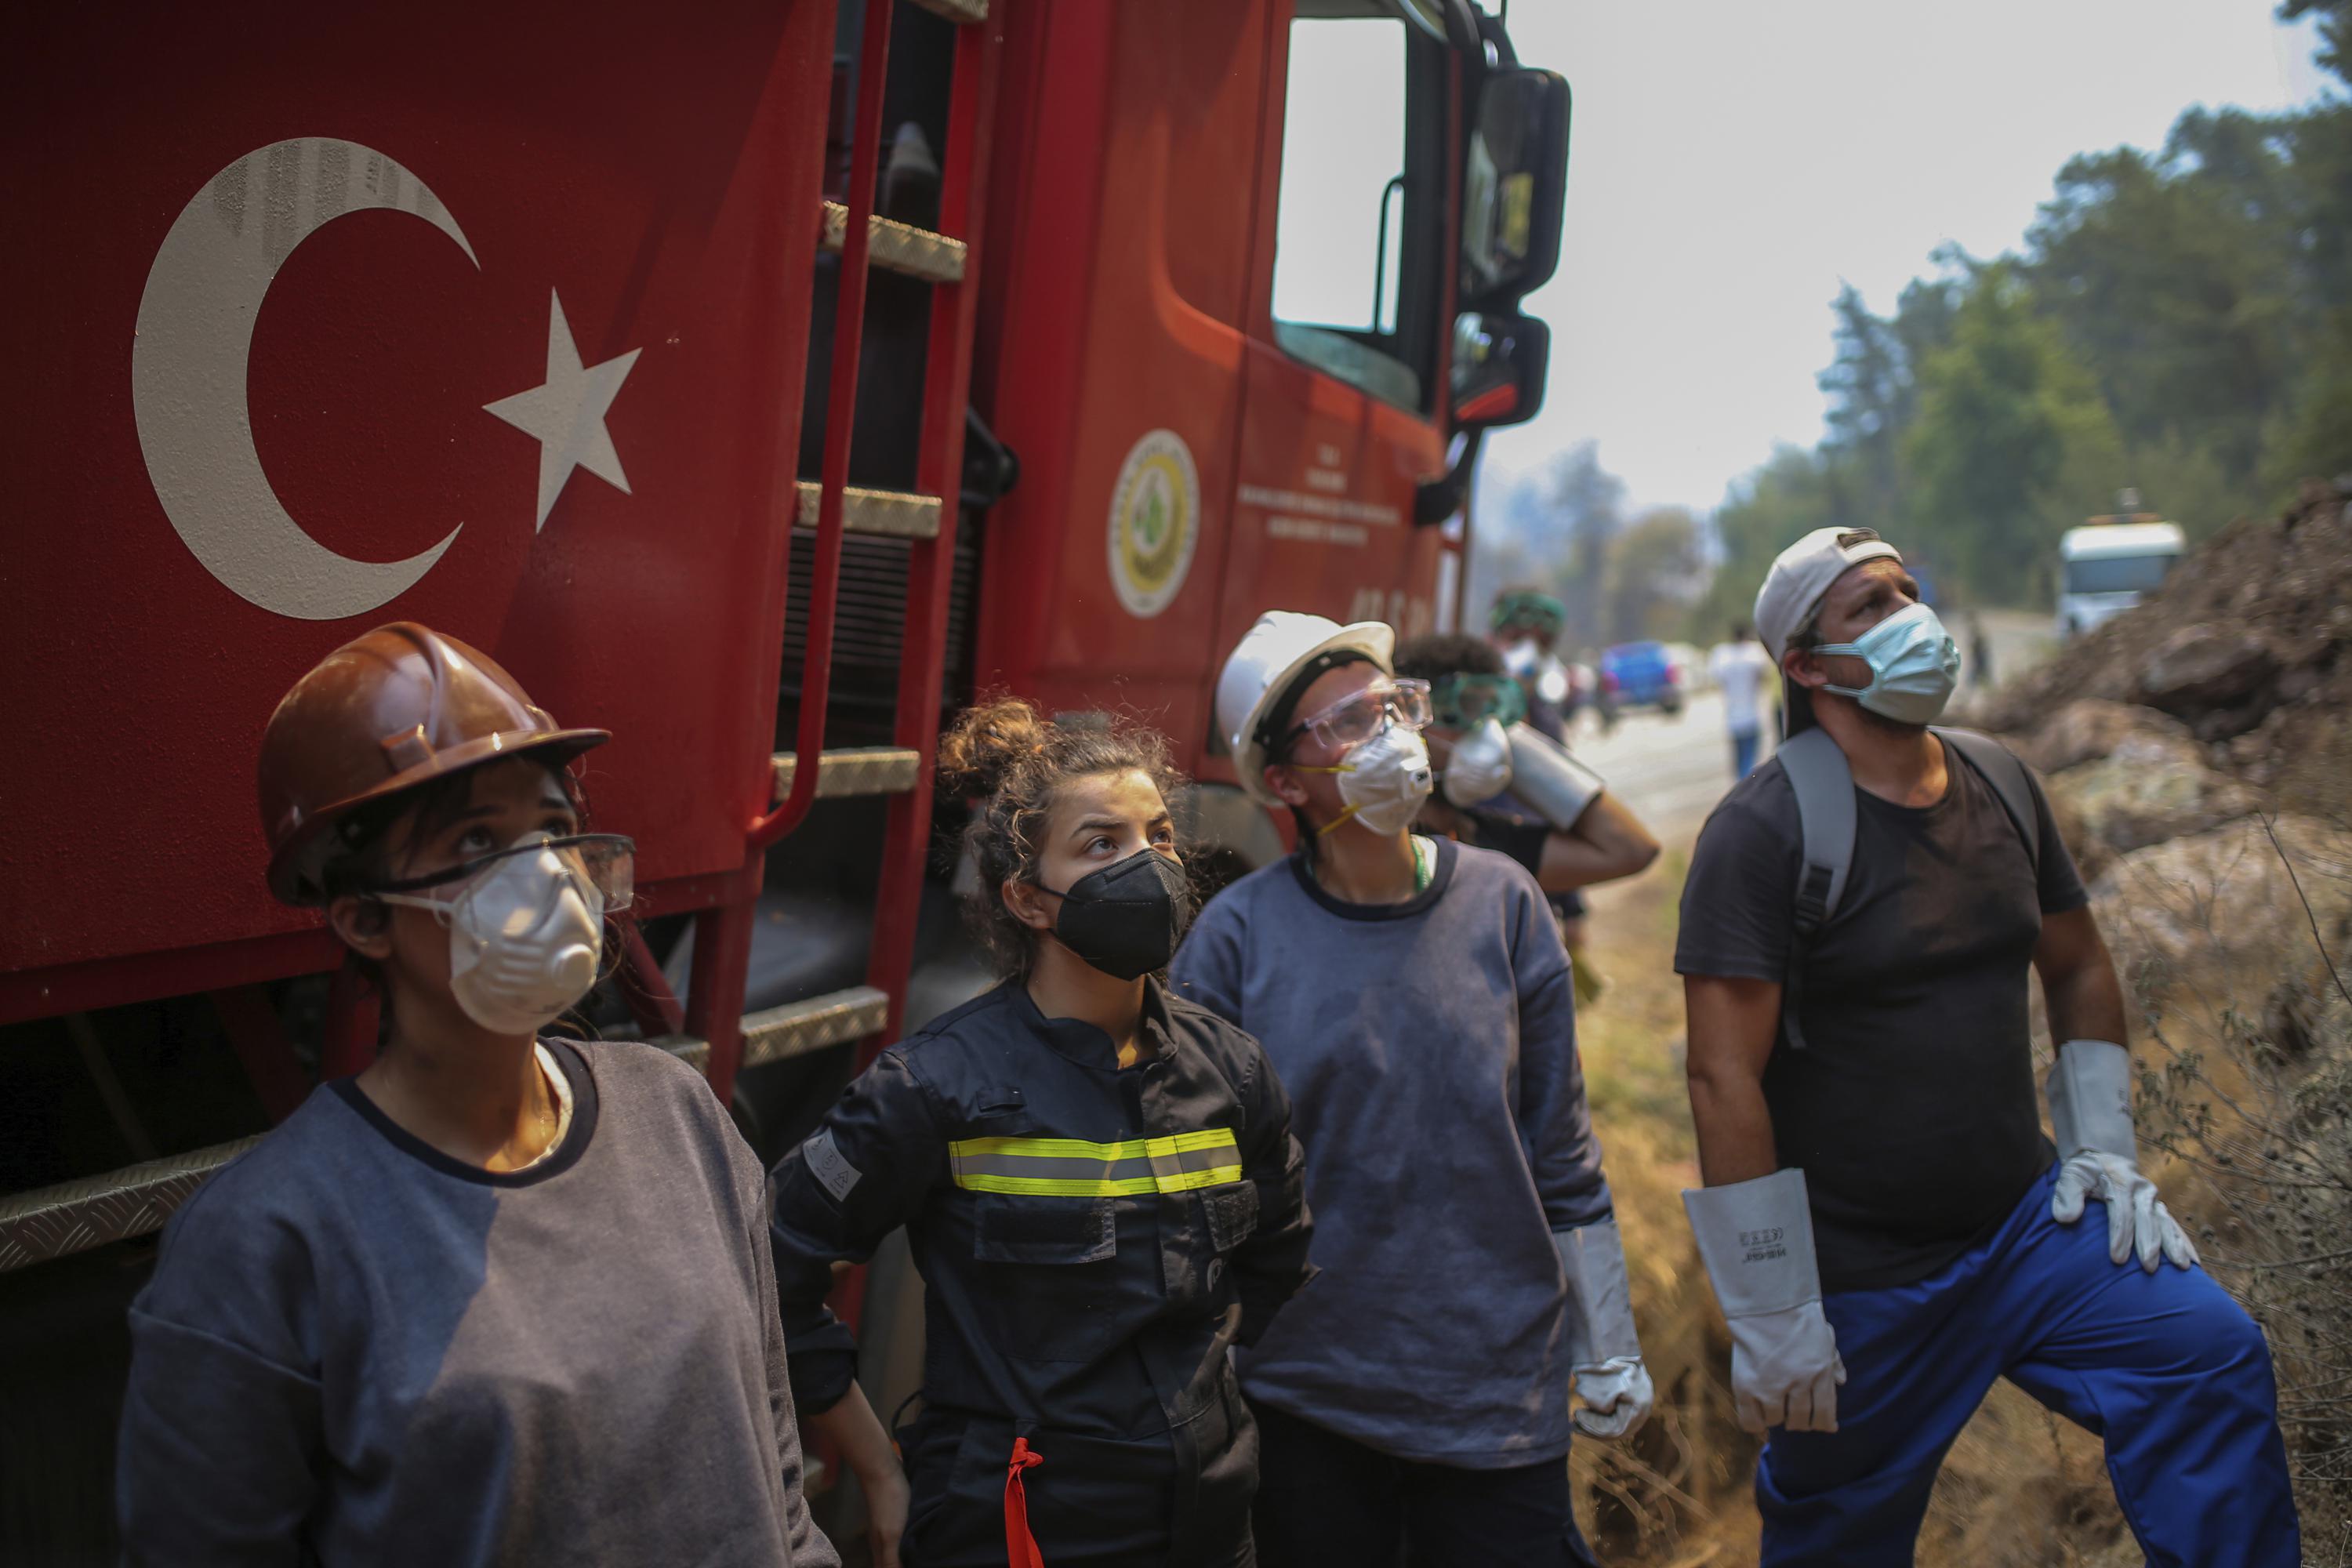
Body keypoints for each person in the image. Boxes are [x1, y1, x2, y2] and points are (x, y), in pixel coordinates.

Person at [115, 623, 836, 1566]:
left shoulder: (679, 1114)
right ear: (365, 917)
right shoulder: (265, 1243)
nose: (543, 873)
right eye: (477, 840)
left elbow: (773, 1459)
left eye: (548, 829)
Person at [1674, 529, 2299, 1565]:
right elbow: (1720, 1070)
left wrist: (2103, 1151)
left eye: (1909, 591)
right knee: (1838, 1533)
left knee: (2206, 1357)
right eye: (1869, 607)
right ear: (1805, 666)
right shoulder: (1765, 832)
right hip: (1866, 1287)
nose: (1911, 617)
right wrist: (1774, 1309)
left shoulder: (2002, 781)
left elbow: (2080, 963)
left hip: (2029, 1233)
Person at [769, 699, 1314, 1568]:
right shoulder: (935, 1084)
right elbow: (776, 1274)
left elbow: (1278, 1257)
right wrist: (878, 1470)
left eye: (1161, 835)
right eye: (1103, 844)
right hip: (1016, 1526)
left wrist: (1196, 1407)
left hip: (1210, 1520)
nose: (1151, 865)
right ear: (1027, 898)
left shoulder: (1235, 1070)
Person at [1171, 612, 1650, 1568]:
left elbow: (1561, 1151)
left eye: (1391, 705)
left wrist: (1608, 1335)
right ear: (1281, 781)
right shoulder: (1236, 937)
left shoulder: (1505, 900)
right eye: (1344, 721)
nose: (1386, 731)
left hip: (1494, 1390)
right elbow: (1191, 1180)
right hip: (1308, 1394)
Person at [1394, 632, 1660, 997]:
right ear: (1412, 717)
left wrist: (1515, 747)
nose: (1482, 733)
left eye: (1490, 714)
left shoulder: (1481, 843)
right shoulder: (1383, 849)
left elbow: (1630, 849)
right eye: (1466, 710)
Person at [1489, 588, 1573, 740]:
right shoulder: (1481, 700)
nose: (1529, 650)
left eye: (1541, 641)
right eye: (1518, 639)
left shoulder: (1548, 718)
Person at [1707, 622, 1773, 779]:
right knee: (1749, 760)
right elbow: (1764, 674)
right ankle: (1746, 787)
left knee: (1738, 761)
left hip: (1732, 718)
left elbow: (1717, 679)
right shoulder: (1753, 655)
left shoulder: (1723, 656)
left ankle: (1740, 787)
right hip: (1751, 716)